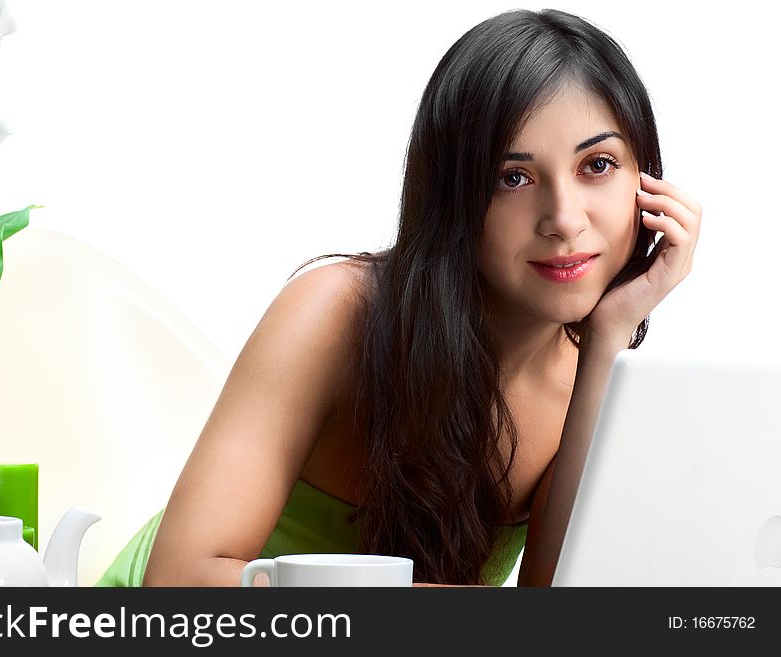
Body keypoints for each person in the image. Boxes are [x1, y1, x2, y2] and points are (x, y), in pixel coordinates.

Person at [97, 8, 700, 587]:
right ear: (452, 194)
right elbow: (178, 579)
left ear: (644, 179)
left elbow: (555, 614)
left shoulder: (589, 374)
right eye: (512, 177)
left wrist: (609, 337)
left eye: (597, 165)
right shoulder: (337, 314)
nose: (565, 219)